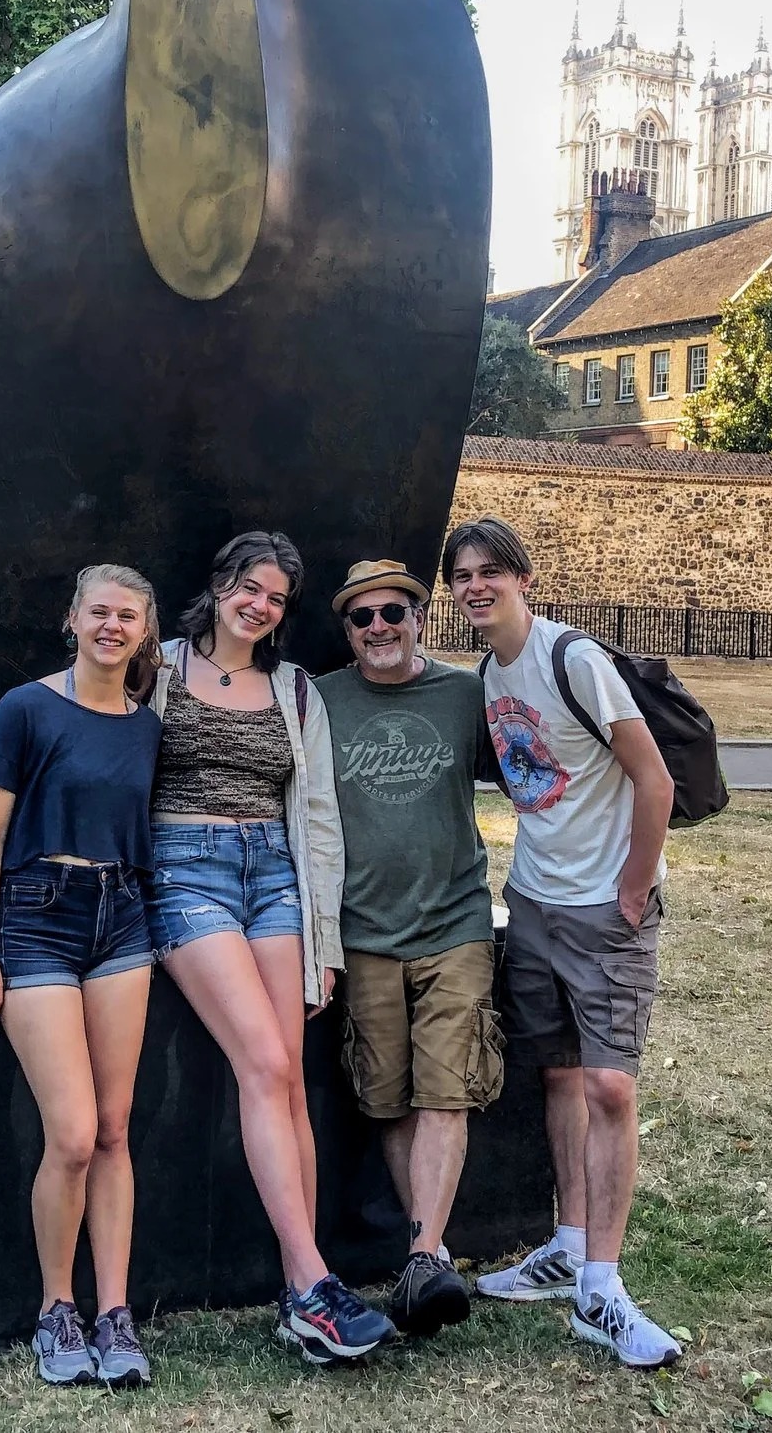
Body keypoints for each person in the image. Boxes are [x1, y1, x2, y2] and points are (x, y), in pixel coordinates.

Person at [149, 531, 395, 1363]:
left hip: (274, 878)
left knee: (288, 1078)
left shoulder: (293, 691)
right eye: (249, 588)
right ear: (219, 585)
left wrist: (323, 938)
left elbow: (318, 818)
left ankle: (305, 1291)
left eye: (277, 597)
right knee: (262, 1062)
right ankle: (314, 1284)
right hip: (186, 871)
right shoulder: (160, 667)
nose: (260, 605)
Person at [446, 515, 682, 1370]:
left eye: (490, 572)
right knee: (558, 1074)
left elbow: (653, 776)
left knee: (611, 1085)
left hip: (602, 907)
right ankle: (569, 1244)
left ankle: (603, 1290)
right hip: (535, 901)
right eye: (463, 574)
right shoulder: (488, 671)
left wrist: (634, 883)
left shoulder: (571, 657)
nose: (476, 586)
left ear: (523, 579)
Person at [0, 565, 166, 1388]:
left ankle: (113, 1311)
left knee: (115, 1129)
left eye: (128, 616)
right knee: (74, 1133)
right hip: (37, 912)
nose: (112, 626)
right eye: (99, 611)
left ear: (146, 632)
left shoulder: (148, 727)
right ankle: (58, 1308)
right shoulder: (25, 709)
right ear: (72, 619)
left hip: (122, 914)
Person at [313, 558, 497, 1337]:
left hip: (454, 920)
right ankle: (432, 1258)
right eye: (363, 618)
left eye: (394, 612)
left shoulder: (463, 695)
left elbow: (537, 759)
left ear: (420, 616)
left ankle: (423, 1254)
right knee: (386, 1095)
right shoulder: (320, 700)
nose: (379, 627)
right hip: (364, 931)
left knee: (445, 1087)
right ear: (347, 631)